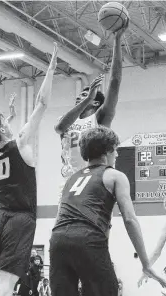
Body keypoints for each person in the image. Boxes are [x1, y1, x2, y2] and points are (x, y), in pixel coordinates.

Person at [0, 43, 59, 296]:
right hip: (20, 219)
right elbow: (42, 103)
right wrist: (52, 69)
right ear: (5, 129)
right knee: (5, 286)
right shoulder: (23, 143)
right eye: (6, 122)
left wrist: (9, 117)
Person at [49, 126, 166, 296]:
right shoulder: (115, 176)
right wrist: (146, 264)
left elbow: (59, 217)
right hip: (87, 238)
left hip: (58, 240)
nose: (117, 155)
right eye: (116, 150)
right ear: (107, 152)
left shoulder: (71, 179)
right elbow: (130, 219)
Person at [54, 19, 129, 195]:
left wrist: (117, 40)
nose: (80, 97)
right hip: (70, 179)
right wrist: (86, 99)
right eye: (80, 96)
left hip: (96, 177)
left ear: (96, 102)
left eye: (85, 95)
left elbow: (115, 81)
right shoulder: (66, 120)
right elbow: (59, 129)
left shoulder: (100, 118)